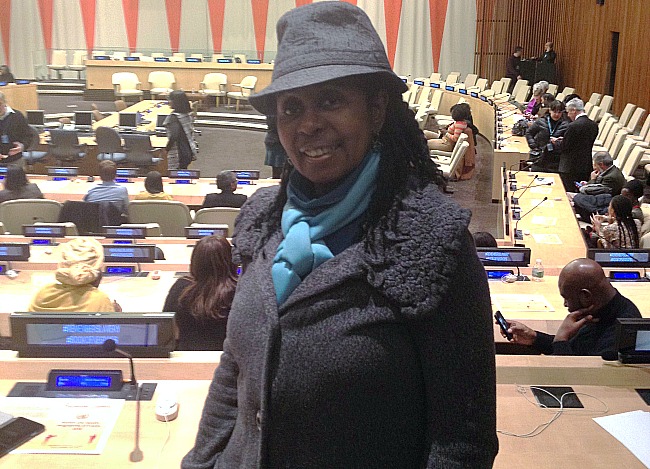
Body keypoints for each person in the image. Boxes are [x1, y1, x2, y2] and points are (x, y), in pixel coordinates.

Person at [182, 3, 497, 468]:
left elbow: (461, 440)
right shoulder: (263, 217)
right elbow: (236, 368)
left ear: (375, 109)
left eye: (330, 99)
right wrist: (201, 462)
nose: (308, 123)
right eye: (292, 107)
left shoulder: (432, 238)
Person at [501, 258, 641, 355]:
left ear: (586, 296)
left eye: (567, 298)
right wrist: (534, 337)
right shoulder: (600, 308)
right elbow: (575, 348)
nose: (565, 304)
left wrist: (561, 339)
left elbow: (573, 376)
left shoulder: (623, 331)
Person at [162, 236, 237, 350]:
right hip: (230, 362)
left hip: (187, 360)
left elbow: (167, 329)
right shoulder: (240, 290)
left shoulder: (180, 288)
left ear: (195, 261)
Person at [28, 237, 120, 312]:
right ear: (97, 271)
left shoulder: (43, 294)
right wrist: (115, 314)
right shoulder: (100, 301)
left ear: (62, 265)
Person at [571, 151, 627, 221]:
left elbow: (590, 192)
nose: (594, 168)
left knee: (575, 199)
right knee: (572, 197)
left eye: (594, 165)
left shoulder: (611, 177)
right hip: (602, 199)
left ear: (601, 164)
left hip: (605, 204)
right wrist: (588, 184)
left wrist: (592, 180)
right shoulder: (612, 171)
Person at [558, 98, 598, 192]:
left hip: (569, 167)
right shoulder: (593, 125)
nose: (568, 115)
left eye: (568, 112)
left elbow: (565, 147)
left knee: (568, 193)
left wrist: (559, 142)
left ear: (574, 110)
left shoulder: (573, 126)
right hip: (585, 165)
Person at [526, 100, 568, 173]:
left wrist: (560, 141)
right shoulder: (541, 121)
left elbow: (567, 141)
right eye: (554, 111)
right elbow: (529, 132)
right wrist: (533, 145)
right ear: (549, 110)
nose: (557, 114)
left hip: (555, 160)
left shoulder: (566, 125)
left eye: (559, 112)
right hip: (539, 157)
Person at [164, 90, 197, 170]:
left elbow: (174, 136)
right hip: (188, 150)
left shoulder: (174, 117)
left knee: (175, 176)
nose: (169, 102)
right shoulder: (187, 114)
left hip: (178, 153)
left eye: (170, 100)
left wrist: (166, 149)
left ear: (176, 102)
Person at [0, 91, 31, 166]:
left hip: (15, 160)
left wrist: (21, 146)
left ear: (5, 102)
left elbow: (28, 136)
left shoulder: (17, 116)